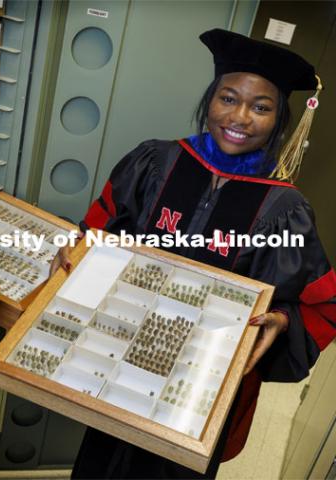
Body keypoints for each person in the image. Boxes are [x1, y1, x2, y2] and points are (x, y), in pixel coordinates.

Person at [51, 28, 336, 479]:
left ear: (280, 120)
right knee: (102, 459)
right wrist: (79, 250)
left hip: (203, 384)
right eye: (228, 98)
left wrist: (282, 321)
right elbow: (102, 228)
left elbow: (316, 302)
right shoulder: (156, 161)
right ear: (209, 101)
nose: (240, 117)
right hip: (123, 355)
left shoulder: (284, 208)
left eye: (261, 107)